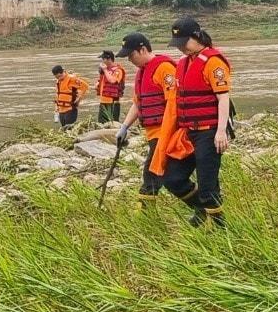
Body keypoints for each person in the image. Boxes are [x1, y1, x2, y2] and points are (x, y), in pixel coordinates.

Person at [150, 17, 233, 227]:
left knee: (208, 186)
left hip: (209, 132)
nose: (180, 48)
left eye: (183, 43)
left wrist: (221, 132)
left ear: (197, 37)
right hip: (187, 133)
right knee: (172, 179)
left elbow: (223, 98)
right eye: (177, 44)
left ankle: (219, 229)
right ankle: (201, 210)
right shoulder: (183, 64)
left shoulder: (213, 62)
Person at [115, 33, 177, 210]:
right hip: (152, 133)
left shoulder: (164, 68)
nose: (129, 60)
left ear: (142, 49)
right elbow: (138, 103)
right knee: (163, 174)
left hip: (165, 132)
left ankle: (145, 214)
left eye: (131, 55)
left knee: (151, 173)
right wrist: (125, 126)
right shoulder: (142, 73)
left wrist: (168, 131)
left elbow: (174, 103)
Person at [51, 65, 89, 130]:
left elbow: (85, 86)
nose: (58, 79)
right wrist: (56, 107)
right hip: (61, 110)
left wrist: (79, 98)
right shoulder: (58, 81)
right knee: (64, 129)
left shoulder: (72, 79)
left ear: (62, 73)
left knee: (69, 129)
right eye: (56, 77)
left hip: (70, 109)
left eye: (59, 77)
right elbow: (58, 95)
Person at [96, 49, 126, 124]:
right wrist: (97, 85)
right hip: (103, 100)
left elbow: (113, 80)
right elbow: (102, 82)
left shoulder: (118, 70)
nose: (102, 61)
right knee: (101, 123)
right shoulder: (105, 70)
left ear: (109, 59)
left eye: (104, 59)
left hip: (112, 101)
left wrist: (105, 70)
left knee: (112, 123)